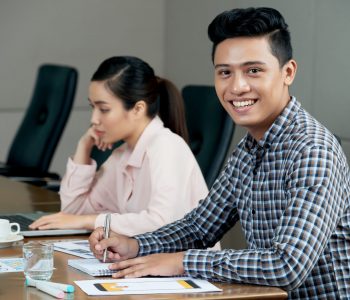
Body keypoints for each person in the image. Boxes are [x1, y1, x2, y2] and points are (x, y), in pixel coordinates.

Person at [88, 7, 350, 300]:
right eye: (225, 72)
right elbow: (200, 227)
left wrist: (180, 262)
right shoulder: (248, 150)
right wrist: (135, 245)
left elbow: (286, 266)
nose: (237, 87)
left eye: (254, 70)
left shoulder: (312, 151)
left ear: (287, 72)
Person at [29, 56, 210, 237]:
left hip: (186, 264)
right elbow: (73, 213)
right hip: (147, 260)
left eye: (104, 109)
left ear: (138, 109)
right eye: (92, 107)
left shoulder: (167, 147)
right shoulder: (122, 155)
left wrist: (91, 221)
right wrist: (83, 147)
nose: (94, 119)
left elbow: (163, 223)